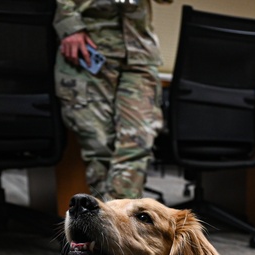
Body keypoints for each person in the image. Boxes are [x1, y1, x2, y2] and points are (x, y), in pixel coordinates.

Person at [54, 0, 170, 201]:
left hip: (139, 55)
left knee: (137, 143)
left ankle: (117, 223)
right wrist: (70, 26)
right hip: (88, 50)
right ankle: (105, 224)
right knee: (99, 147)